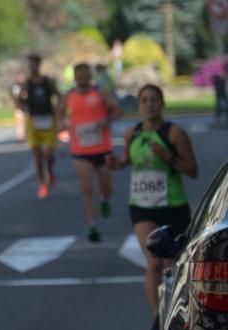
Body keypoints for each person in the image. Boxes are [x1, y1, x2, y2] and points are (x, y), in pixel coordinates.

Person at [108, 84, 198, 315]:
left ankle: (176, 313)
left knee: (173, 265)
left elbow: (192, 170)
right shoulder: (133, 133)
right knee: (153, 262)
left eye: (154, 100)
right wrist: (115, 164)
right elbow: (127, 160)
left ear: (162, 104)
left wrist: (169, 158)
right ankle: (157, 320)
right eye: (144, 100)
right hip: (142, 206)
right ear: (139, 105)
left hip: (173, 206)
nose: (149, 104)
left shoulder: (174, 133)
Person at [58, 62, 123, 243]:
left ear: (90, 77)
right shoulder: (69, 95)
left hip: (102, 148)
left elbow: (118, 110)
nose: (83, 80)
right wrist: (63, 124)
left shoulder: (100, 92)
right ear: (75, 78)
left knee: (106, 187)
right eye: (79, 77)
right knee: (87, 187)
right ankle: (92, 225)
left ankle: (105, 199)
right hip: (80, 149)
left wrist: (107, 119)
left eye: (85, 76)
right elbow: (59, 114)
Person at [20, 54, 61, 199]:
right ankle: (42, 184)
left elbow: (59, 96)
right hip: (33, 121)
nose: (31, 67)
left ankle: (49, 168)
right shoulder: (26, 83)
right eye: (29, 64)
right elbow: (19, 100)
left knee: (49, 152)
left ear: (39, 65)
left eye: (34, 64)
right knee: (37, 155)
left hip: (48, 120)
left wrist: (58, 112)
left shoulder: (48, 81)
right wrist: (24, 109)